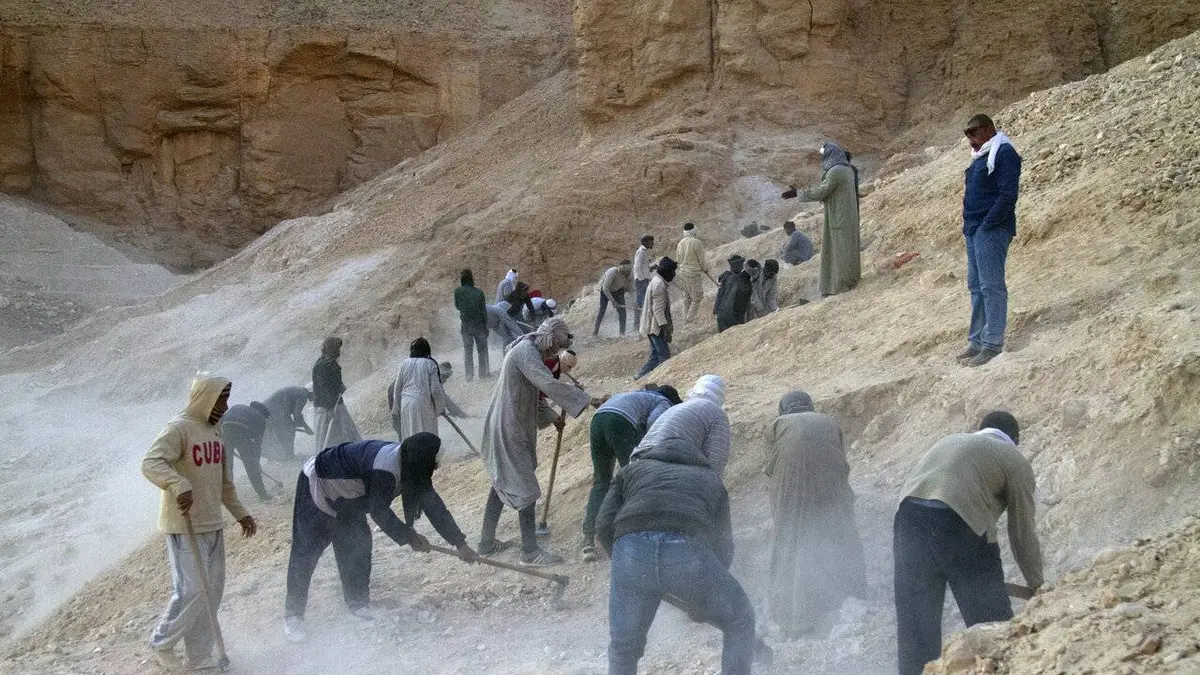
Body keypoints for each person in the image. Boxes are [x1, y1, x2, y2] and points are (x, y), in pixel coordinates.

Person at [283, 434, 477, 642]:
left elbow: (434, 506)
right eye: (433, 462)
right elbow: (379, 511)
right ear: (422, 460)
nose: (435, 467)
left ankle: (357, 602)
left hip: (350, 497)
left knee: (357, 544)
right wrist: (409, 536)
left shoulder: (412, 465)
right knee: (306, 551)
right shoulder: (386, 470)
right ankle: (293, 616)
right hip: (318, 483)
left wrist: (460, 543)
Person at [893, 411, 1043, 675]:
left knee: (916, 626)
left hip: (908, 518)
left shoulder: (951, 441)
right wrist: (1037, 583)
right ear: (1015, 439)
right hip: (958, 521)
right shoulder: (1014, 458)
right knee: (991, 623)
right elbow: (1022, 531)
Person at [596, 436, 755, 675]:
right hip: (687, 550)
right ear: (697, 457)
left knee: (623, 646)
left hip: (630, 549)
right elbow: (723, 544)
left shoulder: (631, 471)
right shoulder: (711, 479)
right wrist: (705, 595)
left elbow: (603, 524)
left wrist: (623, 561)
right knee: (740, 620)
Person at [142, 374, 257, 671]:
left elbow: (224, 481)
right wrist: (177, 484)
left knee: (211, 592)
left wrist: (240, 513)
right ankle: (162, 642)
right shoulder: (178, 428)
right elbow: (151, 462)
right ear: (204, 398)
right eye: (220, 400)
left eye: (226, 400)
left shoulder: (216, 430)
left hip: (212, 522)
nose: (225, 407)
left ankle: (199, 655)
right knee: (192, 590)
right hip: (185, 524)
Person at [478, 317, 604, 566]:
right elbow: (546, 383)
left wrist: (554, 417)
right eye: (554, 346)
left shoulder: (530, 352)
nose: (554, 352)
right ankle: (529, 552)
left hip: (513, 424)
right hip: (508, 425)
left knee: (503, 481)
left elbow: (535, 395)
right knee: (525, 486)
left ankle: (486, 543)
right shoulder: (526, 351)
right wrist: (587, 400)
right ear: (548, 337)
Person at [764, 391, 866, 638]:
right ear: (809, 406)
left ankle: (794, 618)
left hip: (791, 488)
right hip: (831, 486)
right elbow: (840, 459)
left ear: (783, 410)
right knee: (838, 530)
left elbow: (771, 467)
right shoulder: (828, 421)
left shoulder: (777, 425)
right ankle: (851, 597)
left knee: (791, 538)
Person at [579, 384, 682, 562]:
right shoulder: (663, 401)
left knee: (601, 480)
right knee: (635, 477)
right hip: (619, 422)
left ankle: (588, 538)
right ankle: (631, 531)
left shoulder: (636, 395)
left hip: (598, 420)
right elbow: (654, 425)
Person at [957, 114, 1021, 367]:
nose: (970, 138)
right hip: (974, 229)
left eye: (974, 132)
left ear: (989, 129)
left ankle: (992, 343)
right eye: (967, 134)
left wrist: (988, 224)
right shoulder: (981, 156)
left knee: (991, 286)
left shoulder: (1004, 153)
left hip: (990, 230)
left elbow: (1008, 194)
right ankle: (976, 341)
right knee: (976, 286)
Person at [781, 141, 861, 296]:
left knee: (838, 252)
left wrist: (798, 193)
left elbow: (822, 192)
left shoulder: (836, 171)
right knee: (846, 249)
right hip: (846, 215)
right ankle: (850, 280)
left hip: (839, 217)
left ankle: (839, 285)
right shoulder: (847, 169)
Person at [631, 375, 731, 476]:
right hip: (664, 466)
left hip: (636, 465)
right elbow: (715, 461)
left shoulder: (676, 407)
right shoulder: (717, 414)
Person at [390, 337, 446, 441]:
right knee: (426, 436)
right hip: (422, 404)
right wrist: (440, 408)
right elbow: (435, 390)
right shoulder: (430, 364)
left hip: (405, 404)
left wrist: (396, 407)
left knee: (409, 435)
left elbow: (397, 387)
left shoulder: (404, 363)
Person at [311, 337, 361, 453]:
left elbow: (335, 382)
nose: (339, 351)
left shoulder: (330, 363)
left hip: (335, 405)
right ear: (332, 349)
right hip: (328, 408)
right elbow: (323, 386)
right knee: (329, 441)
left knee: (344, 437)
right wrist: (331, 403)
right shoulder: (323, 365)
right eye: (337, 348)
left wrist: (340, 387)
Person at [220, 401, 275, 502]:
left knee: (227, 466)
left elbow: (221, 419)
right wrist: (256, 463)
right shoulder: (261, 419)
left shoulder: (237, 406)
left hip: (224, 430)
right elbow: (257, 445)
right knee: (251, 466)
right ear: (262, 413)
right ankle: (262, 494)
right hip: (241, 433)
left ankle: (227, 496)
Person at [635, 256, 677, 380]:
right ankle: (661, 380)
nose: (674, 274)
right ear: (667, 272)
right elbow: (658, 311)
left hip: (650, 325)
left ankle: (640, 376)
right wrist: (666, 330)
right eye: (673, 271)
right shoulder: (660, 285)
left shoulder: (656, 281)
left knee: (655, 356)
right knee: (664, 356)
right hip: (656, 327)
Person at [455, 269, 490, 381]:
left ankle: (469, 375)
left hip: (466, 325)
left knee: (468, 350)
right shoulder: (479, 292)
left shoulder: (457, 291)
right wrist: (486, 327)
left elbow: (457, 306)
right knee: (482, 350)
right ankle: (482, 373)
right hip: (479, 324)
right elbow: (483, 311)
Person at [675, 222, 713, 324]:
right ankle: (689, 321)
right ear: (693, 230)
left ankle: (685, 320)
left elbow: (678, 261)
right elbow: (701, 259)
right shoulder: (696, 242)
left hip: (682, 273)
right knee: (698, 297)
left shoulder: (680, 243)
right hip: (692, 273)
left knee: (687, 297)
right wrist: (704, 268)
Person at [261, 386, 313, 460]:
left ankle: (276, 457)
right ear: (311, 393)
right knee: (288, 430)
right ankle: (289, 456)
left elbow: (296, 418)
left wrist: (300, 424)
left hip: (265, 410)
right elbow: (297, 415)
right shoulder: (303, 395)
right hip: (276, 411)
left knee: (277, 432)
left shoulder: (297, 390)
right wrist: (306, 427)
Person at [714, 255, 752, 332]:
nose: (742, 267)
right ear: (736, 266)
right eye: (740, 265)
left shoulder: (726, 276)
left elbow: (719, 295)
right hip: (732, 316)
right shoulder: (736, 279)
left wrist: (716, 310)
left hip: (722, 314)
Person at [594, 260, 633, 337]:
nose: (627, 274)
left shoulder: (630, 273)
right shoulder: (612, 272)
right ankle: (595, 332)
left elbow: (631, 288)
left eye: (628, 272)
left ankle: (622, 333)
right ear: (621, 269)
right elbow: (605, 288)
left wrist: (635, 301)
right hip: (606, 290)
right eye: (626, 272)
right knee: (602, 310)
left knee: (622, 312)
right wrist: (613, 301)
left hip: (618, 290)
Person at [632, 235, 655, 330]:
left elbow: (643, 268)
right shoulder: (640, 252)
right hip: (641, 282)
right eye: (651, 242)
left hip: (644, 281)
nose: (653, 243)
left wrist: (651, 268)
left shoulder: (644, 252)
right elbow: (636, 267)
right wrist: (642, 280)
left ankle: (641, 325)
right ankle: (637, 326)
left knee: (644, 302)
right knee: (641, 303)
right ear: (646, 242)